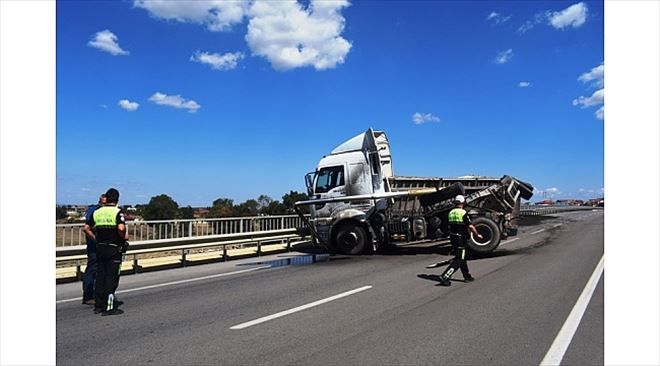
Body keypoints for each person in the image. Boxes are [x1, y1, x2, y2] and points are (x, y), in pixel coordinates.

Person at [83, 188, 129, 315]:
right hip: (113, 247)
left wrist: (96, 239)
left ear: (107, 199)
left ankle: (98, 305)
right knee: (111, 278)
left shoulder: (97, 212)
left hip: (100, 247)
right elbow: (120, 227)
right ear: (117, 199)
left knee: (100, 276)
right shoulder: (117, 212)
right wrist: (123, 236)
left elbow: (86, 228)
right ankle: (109, 307)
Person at [437, 195, 483, 286]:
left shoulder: (451, 212)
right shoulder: (463, 213)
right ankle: (445, 276)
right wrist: (477, 234)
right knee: (459, 259)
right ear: (463, 203)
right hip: (461, 239)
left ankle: (467, 276)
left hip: (453, 238)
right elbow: (470, 226)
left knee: (462, 257)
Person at [81, 194, 106, 305]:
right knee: (92, 270)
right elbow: (87, 228)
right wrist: (96, 240)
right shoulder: (94, 211)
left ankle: (99, 294)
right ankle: (88, 296)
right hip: (94, 246)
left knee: (101, 271)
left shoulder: (100, 211)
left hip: (102, 246)